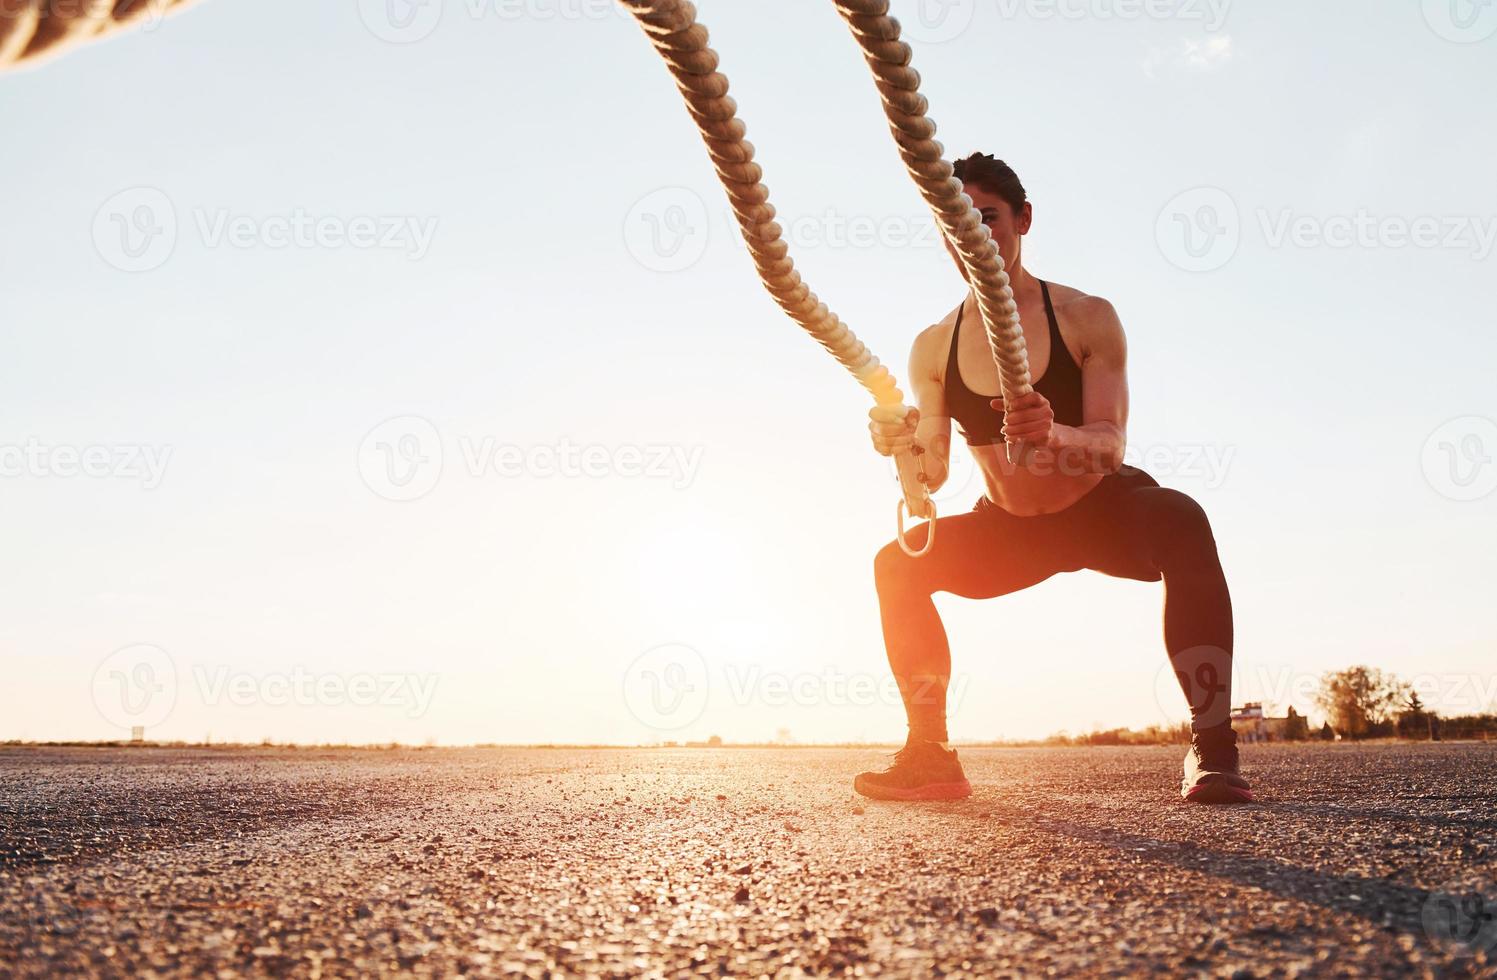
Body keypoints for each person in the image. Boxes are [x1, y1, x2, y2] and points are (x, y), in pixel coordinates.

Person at [858, 153, 1251, 805]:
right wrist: (898, 447)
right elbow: (930, 474)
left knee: (1181, 517)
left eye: (986, 218)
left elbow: (1107, 443)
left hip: (1101, 510)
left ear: (1023, 220)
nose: (972, 238)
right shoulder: (934, 345)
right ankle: (930, 755)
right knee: (894, 565)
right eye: (954, 224)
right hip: (1009, 529)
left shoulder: (1085, 316)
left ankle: (1212, 749)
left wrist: (1053, 433)